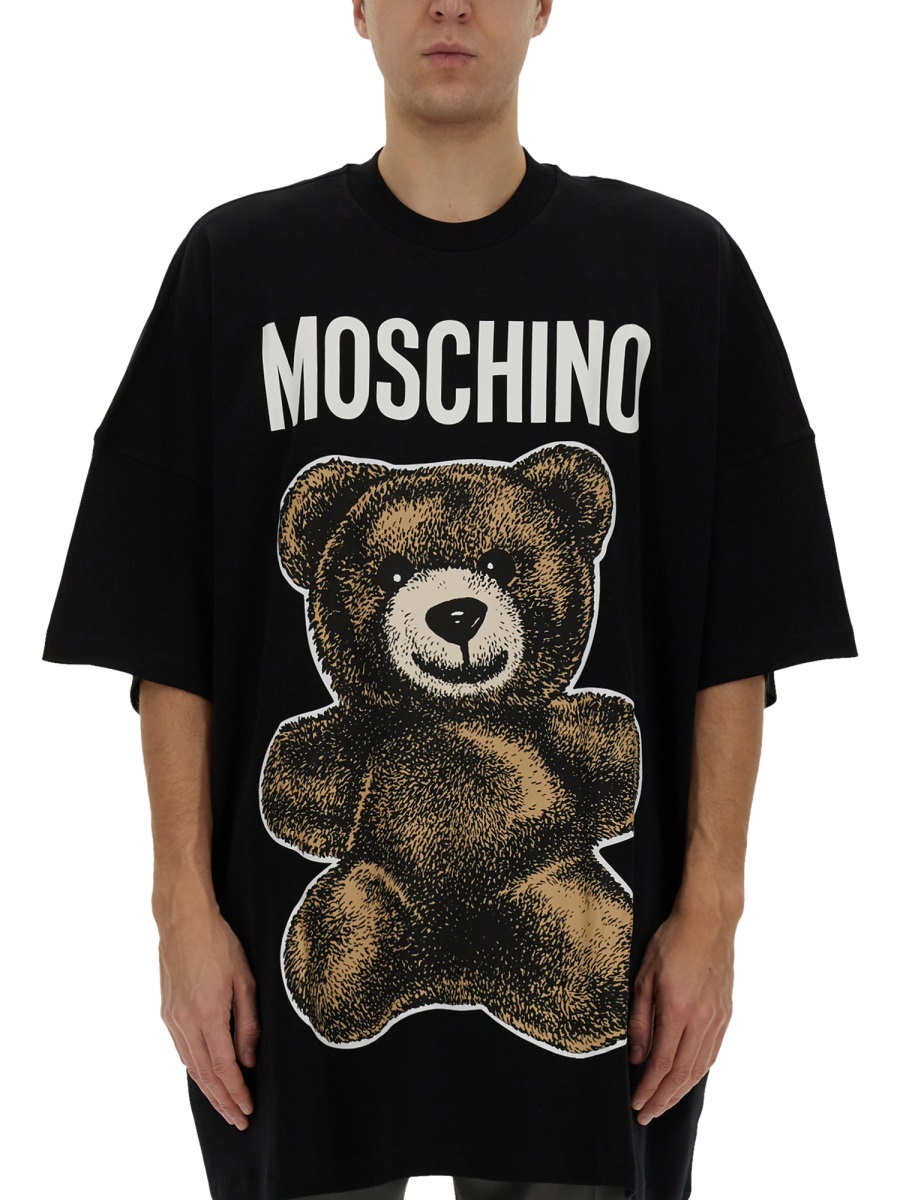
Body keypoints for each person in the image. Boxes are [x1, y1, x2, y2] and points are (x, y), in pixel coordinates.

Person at [41, 2, 858, 1199]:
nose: (450, 5)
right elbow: (166, 632)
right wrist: (179, 912)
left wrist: (713, 912)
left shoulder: (676, 273)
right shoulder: (241, 269)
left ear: (545, 7)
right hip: (292, 981)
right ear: (357, 8)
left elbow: (739, 629)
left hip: (601, 982)